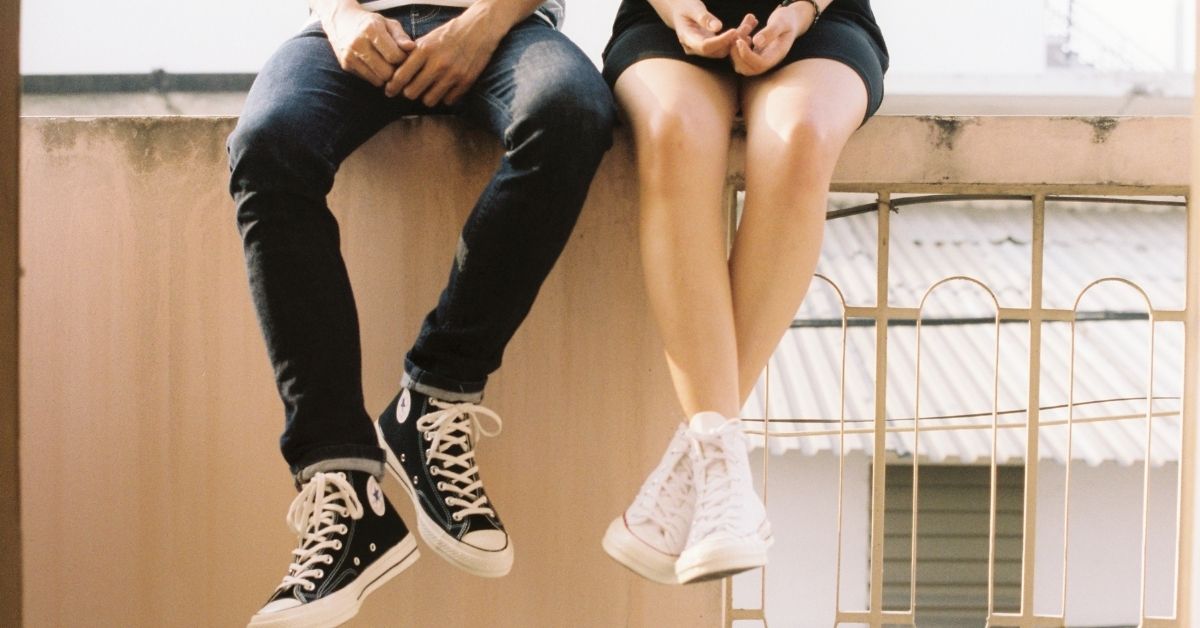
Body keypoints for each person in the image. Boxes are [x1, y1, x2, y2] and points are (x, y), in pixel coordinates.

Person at [226, 0, 614, 624]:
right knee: (266, 143)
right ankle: (346, 490)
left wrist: (485, 21)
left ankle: (432, 397)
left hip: (506, 29)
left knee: (571, 111)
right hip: (351, 34)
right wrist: (339, 16)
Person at [599, 0, 887, 584]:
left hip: (822, 25)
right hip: (664, 24)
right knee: (674, 128)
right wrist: (678, 10)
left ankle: (703, 461)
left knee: (801, 134)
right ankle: (724, 480)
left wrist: (800, 13)